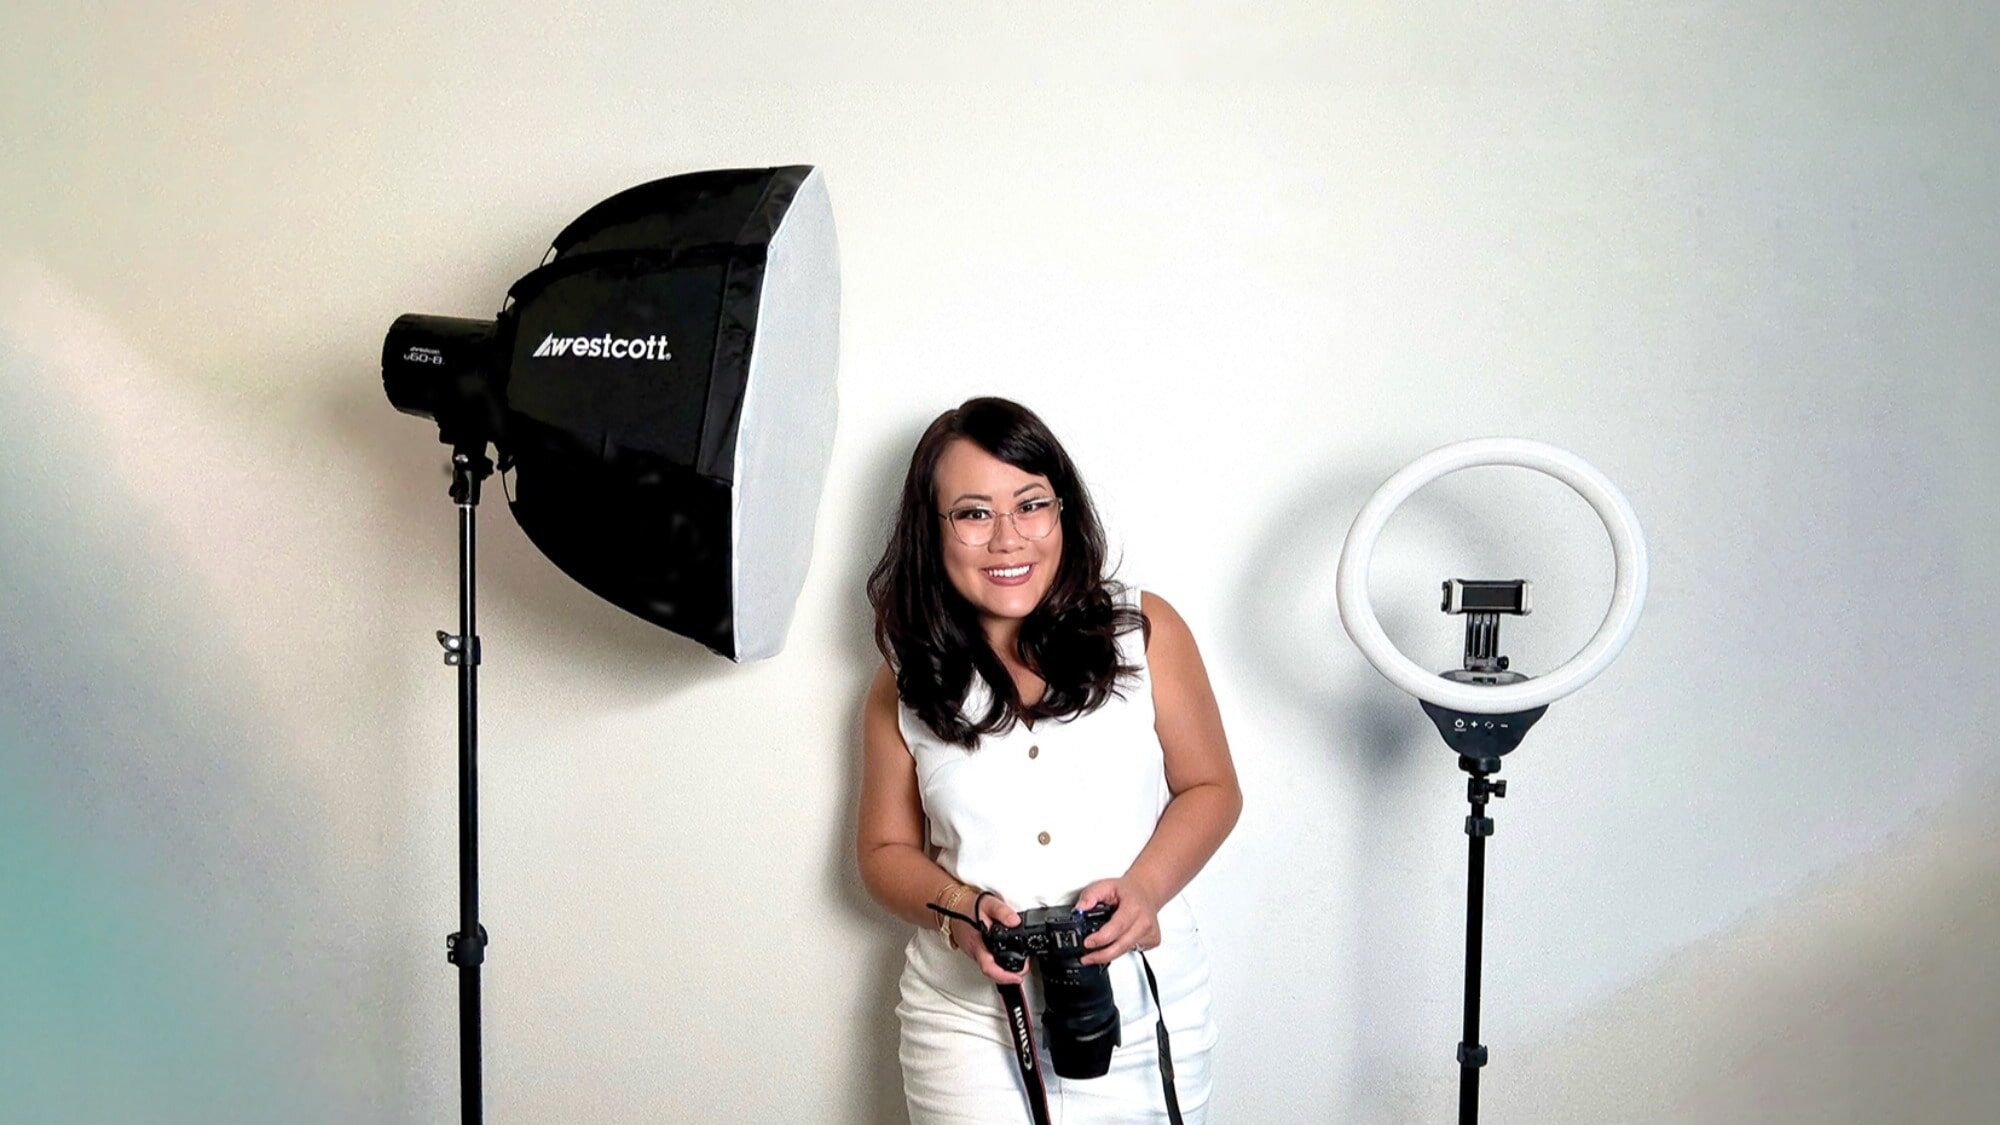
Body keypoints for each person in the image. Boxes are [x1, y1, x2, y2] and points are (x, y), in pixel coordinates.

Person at [857, 396, 1243, 1124]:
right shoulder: (904, 679)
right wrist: (961, 914)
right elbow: (881, 851)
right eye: (973, 513)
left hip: (1139, 999)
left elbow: (1211, 786)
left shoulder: (1145, 629)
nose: (1008, 539)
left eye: (1030, 504)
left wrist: (1144, 890)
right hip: (967, 1025)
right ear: (931, 531)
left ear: (1063, 509)